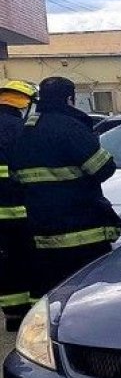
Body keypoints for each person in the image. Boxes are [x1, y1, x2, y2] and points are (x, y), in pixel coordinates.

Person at [8, 77, 120, 302]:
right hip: (83, 234)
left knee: (51, 296)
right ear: (70, 99)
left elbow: (15, 178)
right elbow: (104, 168)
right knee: (88, 294)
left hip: (42, 234)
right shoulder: (70, 127)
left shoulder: (24, 132)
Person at [0, 80, 37, 331]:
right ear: (24, 105)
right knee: (27, 260)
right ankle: (31, 314)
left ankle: (12, 316)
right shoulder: (21, 130)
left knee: (5, 264)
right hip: (21, 210)